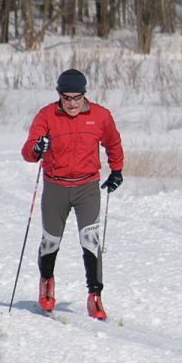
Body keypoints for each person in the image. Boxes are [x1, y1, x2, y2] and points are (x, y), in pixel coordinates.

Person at [21, 69, 124, 320]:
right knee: (50, 241)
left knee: (91, 240)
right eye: (66, 98)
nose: (72, 103)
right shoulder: (46, 116)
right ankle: (46, 282)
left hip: (87, 187)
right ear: (59, 96)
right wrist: (37, 148)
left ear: (84, 95)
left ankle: (95, 296)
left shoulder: (100, 116)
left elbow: (113, 142)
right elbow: (28, 153)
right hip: (55, 186)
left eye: (77, 97)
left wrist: (117, 170)